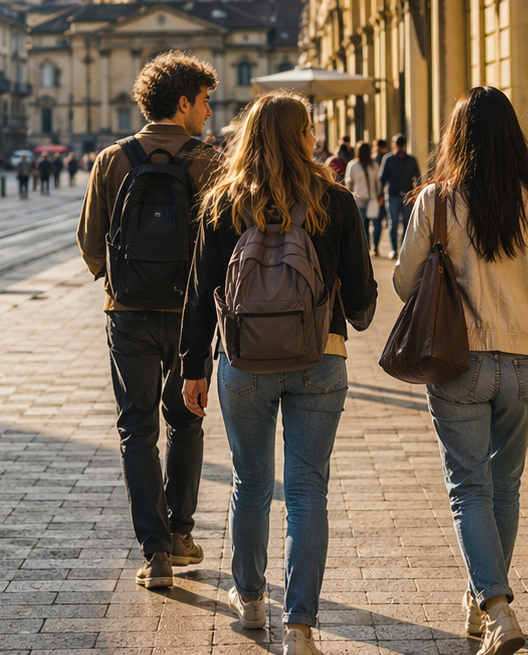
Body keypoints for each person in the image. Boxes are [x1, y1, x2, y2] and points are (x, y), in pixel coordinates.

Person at [180, 90, 376, 655]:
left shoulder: (222, 201)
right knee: (308, 488)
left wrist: (194, 368)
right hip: (321, 355)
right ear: (304, 136)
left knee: (250, 482)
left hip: (242, 360)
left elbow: (200, 296)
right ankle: (300, 625)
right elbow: (362, 295)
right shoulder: (334, 200)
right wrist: (353, 312)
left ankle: (249, 598)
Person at [395, 87, 528, 655]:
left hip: (459, 363)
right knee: (504, 486)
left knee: (468, 489)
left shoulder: (437, 201)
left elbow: (405, 284)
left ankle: (497, 607)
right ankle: (483, 601)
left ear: (457, 139)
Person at [77, 52, 221, 592]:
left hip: (129, 313)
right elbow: (223, 246)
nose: (208, 112)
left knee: (137, 428)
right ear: (182, 103)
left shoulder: (112, 159)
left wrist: (121, 281)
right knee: (186, 419)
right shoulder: (209, 163)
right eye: (204, 102)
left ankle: (155, 551)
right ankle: (182, 533)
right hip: (189, 314)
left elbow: (90, 244)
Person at [380, 134, 422, 260]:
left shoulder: (407, 160)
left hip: (403, 195)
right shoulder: (390, 159)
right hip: (397, 195)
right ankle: (396, 249)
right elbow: (418, 178)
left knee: (401, 223)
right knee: (399, 223)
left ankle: (399, 250)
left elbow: (382, 178)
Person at [345, 140, 383, 251]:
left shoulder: (374, 165)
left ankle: (375, 246)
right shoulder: (353, 165)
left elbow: (378, 182)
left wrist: (379, 195)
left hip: (372, 198)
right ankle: (366, 247)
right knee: (363, 225)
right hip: (359, 199)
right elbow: (349, 183)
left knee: (376, 223)